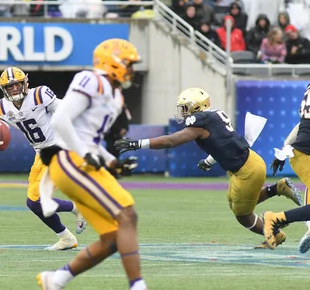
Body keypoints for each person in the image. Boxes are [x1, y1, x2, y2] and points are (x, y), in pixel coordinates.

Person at [36, 39, 174, 290]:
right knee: (127, 214)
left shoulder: (115, 96)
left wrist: (113, 162)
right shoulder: (91, 79)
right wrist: (83, 155)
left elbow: (92, 139)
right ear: (113, 61)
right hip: (68, 159)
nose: (132, 69)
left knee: (114, 237)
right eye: (129, 63)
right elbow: (61, 119)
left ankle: (56, 280)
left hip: (81, 160)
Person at [115, 88, 302, 248]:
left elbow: (171, 141)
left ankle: (274, 233)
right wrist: (209, 161)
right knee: (234, 203)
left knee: (243, 215)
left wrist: (139, 143)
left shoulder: (199, 122)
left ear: (196, 106)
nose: (182, 112)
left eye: (184, 107)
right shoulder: (213, 116)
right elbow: (221, 143)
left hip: (247, 171)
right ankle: (277, 188)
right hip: (249, 163)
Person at [0, 67, 86, 250]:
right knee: (33, 204)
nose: (14, 89)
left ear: (25, 83)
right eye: (9, 87)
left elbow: (64, 109)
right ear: (3, 89)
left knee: (37, 201)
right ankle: (66, 239)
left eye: (17, 84)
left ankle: (79, 207)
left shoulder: (40, 94)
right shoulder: (2, 106)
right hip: (40, 154)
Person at [264, 84, 310, 253]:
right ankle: (275, 219)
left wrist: (285, 147)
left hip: (301, 150)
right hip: (306, 153)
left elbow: (302, 124)